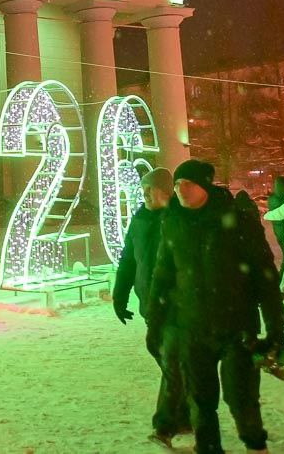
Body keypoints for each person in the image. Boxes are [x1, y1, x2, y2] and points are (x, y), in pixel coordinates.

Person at [146, 160, 284, 454]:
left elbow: (264, 277)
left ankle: (255, 444)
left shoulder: (237, 220)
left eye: (187, 183)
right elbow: (162, 275)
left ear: (204, 186)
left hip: (237, 327)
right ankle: (208, 447)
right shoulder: (172, 221)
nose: (180, 190)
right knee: (200, 399)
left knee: (241, 396)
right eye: (176, 185)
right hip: (192, 327)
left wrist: (276, 327)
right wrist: (155, 323)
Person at [113, 168, 189, 447]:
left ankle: (165, 425)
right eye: (143, 188)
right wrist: (119, 295)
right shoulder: (139, 220)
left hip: (178, 303)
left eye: (151, 188)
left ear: (166, 192)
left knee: (173, 362)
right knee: (169, 359)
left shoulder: (180, 219)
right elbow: (128, 260)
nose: (145, 193)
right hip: (150, 303)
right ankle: (184, 415)